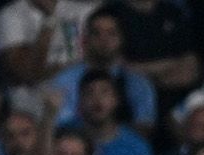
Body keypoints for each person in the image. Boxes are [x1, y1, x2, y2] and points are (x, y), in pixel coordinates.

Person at [50, 6, 158, 134]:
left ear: (122, 38)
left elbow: (145, 126)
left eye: (111, 33)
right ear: (85, 39)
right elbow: (61, 126)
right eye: (96, 33)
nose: (104, 40)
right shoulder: (65, 80)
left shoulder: (138, 82)